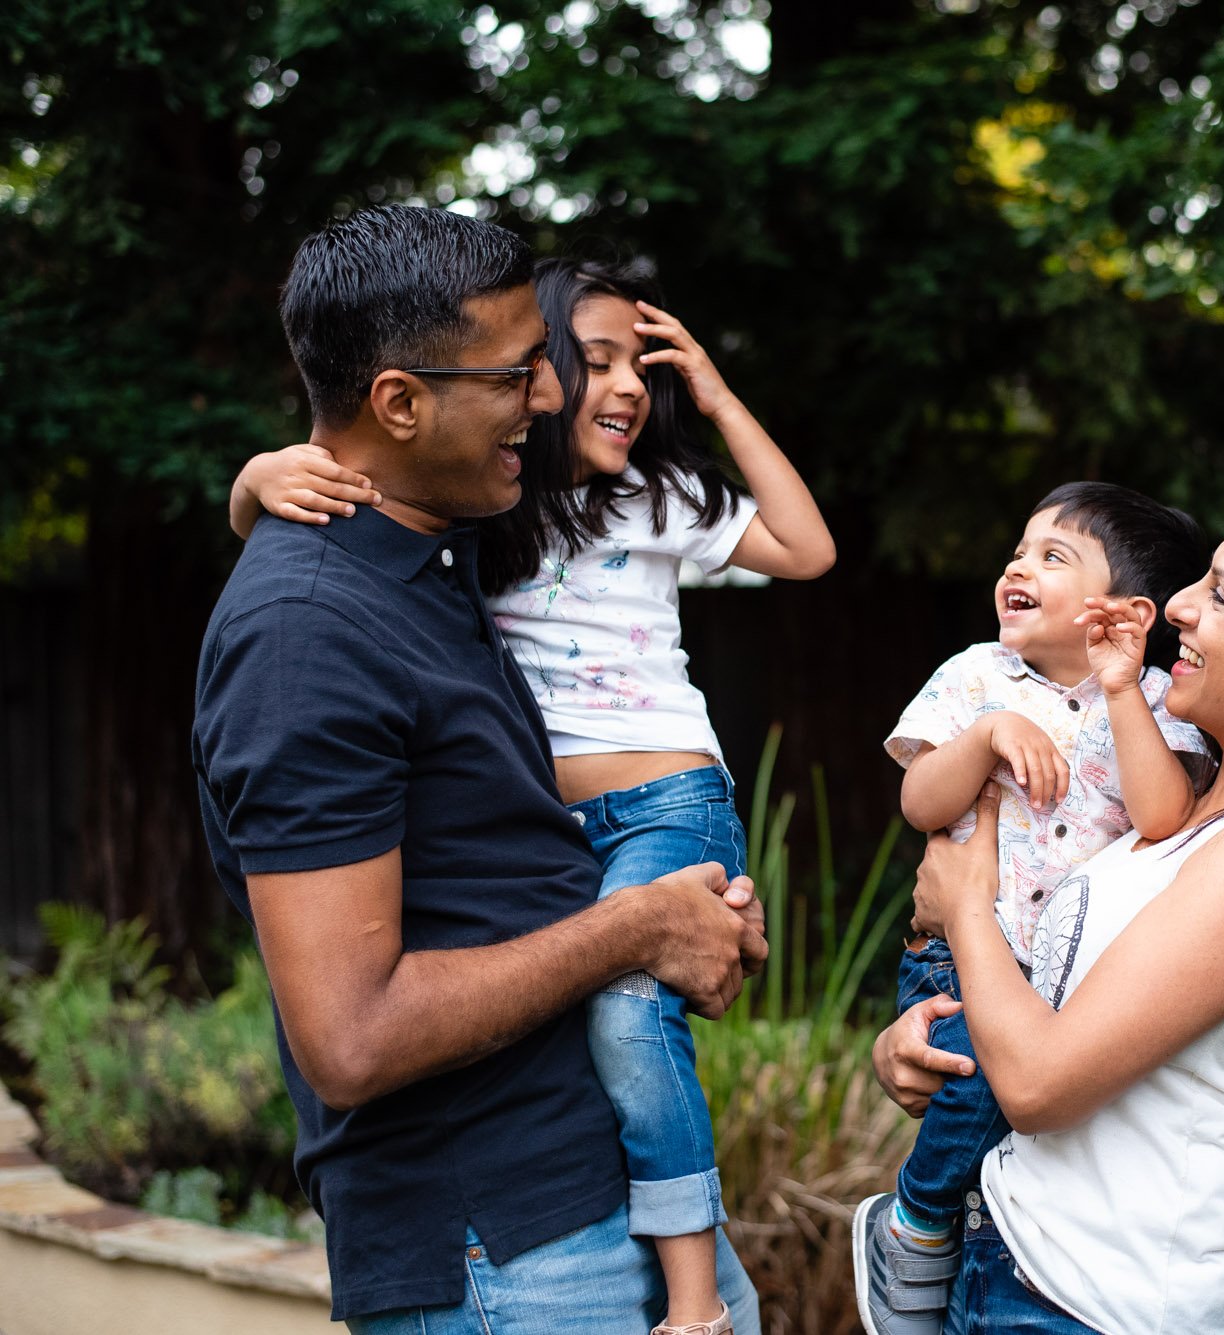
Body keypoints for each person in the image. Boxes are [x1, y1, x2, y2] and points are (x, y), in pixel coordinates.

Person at [230, 255, 835, 1335]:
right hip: (501, 1248)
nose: (556, 394)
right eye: (531, 371)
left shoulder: (451, 548)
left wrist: (685, 921)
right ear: (403, 402)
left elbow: (803, 547)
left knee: (635, 1009)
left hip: (581, 1196)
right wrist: (642, 926)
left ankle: (694, 1279)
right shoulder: (315, 624)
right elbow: (351, 1039)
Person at [872, 490, 1224, 1334]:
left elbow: (1037, 1082)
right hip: (1022, 1272)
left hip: (1099, 1308)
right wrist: (919, 1037)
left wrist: (965, 908)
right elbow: (1056, 1009)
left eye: (1219, 595)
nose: (1176, 605)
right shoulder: (1186, 812)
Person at [853, 482, 1215, 1335]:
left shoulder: (1160, 698)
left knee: (1025, 1115)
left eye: (1053, 556)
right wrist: (983, 739)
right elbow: (917, 801)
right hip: (964, 955)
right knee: (982, 1069)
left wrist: (1123, 688)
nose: (1019, 564)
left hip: (1077, 975)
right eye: (1020, 550)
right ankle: (915, 1224)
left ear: (1124, 613)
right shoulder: (976, 675)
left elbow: (1162, 816)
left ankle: (954, 1247)